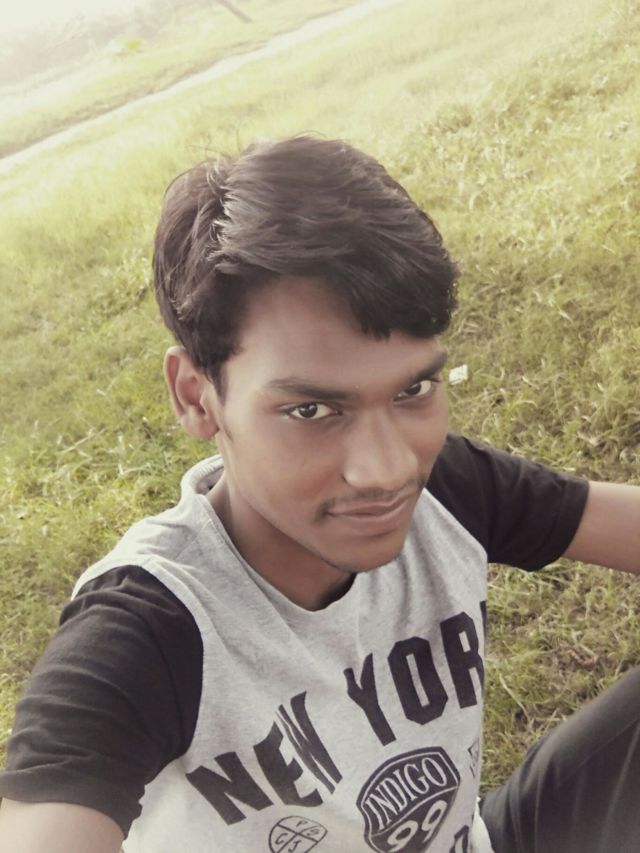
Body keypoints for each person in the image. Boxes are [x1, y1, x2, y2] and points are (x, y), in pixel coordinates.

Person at [0, 135, 638, 853]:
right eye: (311, 409)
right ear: (197, 396)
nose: (387, 469)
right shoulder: (153, 629)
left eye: (413, 390)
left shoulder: (447, 489)